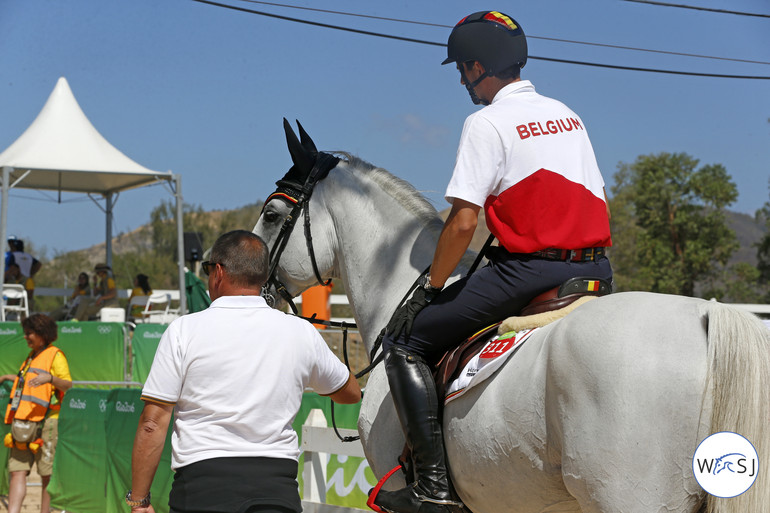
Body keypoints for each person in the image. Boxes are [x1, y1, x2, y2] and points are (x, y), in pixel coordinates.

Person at [371, 11, 613, 513]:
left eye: (462, 68)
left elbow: (462, 223)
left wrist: (432, 287)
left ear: (480, 66)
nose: (461, 79)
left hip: (532, 270)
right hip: (596, 269)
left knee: (405, 342)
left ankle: (433, 489)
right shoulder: (568, 113)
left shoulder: (486, 122)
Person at [128, 230, 361, 513]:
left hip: (203, 487)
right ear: (262, 276)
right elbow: (349, 392)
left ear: (218, 272)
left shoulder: (183, 331)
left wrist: (139, 501)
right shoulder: (300, 331)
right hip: (276, 489)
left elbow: (153, 422)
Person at [1, 314, 73, 513]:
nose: (25, 337)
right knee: (17, 472)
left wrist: (50, 378)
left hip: (46, 424)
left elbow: (68, 385)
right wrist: (7, 377)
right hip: (22, 424)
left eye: (29, 333)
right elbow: (27, 384)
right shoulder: (31, 357)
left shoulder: (55, 355)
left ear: (42, 334)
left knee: (46, 475)